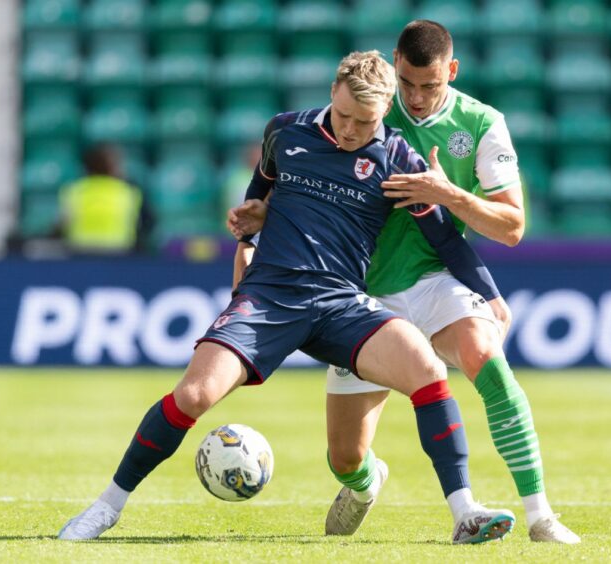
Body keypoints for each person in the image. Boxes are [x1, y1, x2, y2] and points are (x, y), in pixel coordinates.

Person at [57, 51, 514, 544]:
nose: (350, 131)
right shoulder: (285, 132)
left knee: (426, 370)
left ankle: (464, 511)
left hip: (341, 302)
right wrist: (250, 228)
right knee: (193, 395)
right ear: (331, 93)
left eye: (364, 122)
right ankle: (106, 508)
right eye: (342, 115)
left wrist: (488, 295)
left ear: (384, 112)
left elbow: (445, 240)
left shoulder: (399, 157)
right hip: (271, 296)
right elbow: (260, 197)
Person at [234, 21, 580, 544]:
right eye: (408, 83)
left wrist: (451, 197)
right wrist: (259, 223)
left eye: (430, 86)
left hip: (432, 280)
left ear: (453, 72)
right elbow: (290, 178)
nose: (415, 99)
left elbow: (512, 227)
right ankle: (366, 482)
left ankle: (541, 516)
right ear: (394, 66)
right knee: (345, 455)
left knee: (486, 356)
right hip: (355, 297)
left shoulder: (481, 124)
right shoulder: (366, 110)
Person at [56, 144, 154, 255]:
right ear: (113, 168)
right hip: (120, 254)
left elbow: (62, 226)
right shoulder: (128, 191)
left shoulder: (74, 190)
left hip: (81, 253)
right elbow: (145, 224)